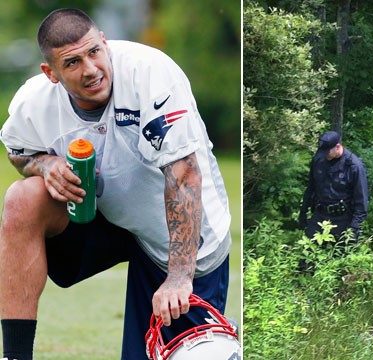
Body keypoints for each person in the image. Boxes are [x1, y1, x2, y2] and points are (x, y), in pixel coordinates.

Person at [0, 8, 233, 360]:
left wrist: (179, 277)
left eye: (94, 52)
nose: (91, 69)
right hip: (103, 216)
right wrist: (46, 165)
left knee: (193, 353)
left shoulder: (151, 74)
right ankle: (15, 356)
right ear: (51, 73)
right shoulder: (33, 104)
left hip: (174, 237)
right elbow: (19, 153)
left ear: (105, 44)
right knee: (22, 197)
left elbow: (184, 175)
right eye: (73, 62)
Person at [298, 131, 368, 242]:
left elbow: (361, 201)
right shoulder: (319, 160)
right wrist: (303, 211)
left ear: (338, 147)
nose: (325, 155)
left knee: (340, 257)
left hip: (344, 218)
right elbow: (311, 187)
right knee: (306, 256)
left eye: (327, 152)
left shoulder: (354, 166)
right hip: (320, 215)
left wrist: (354, 228)